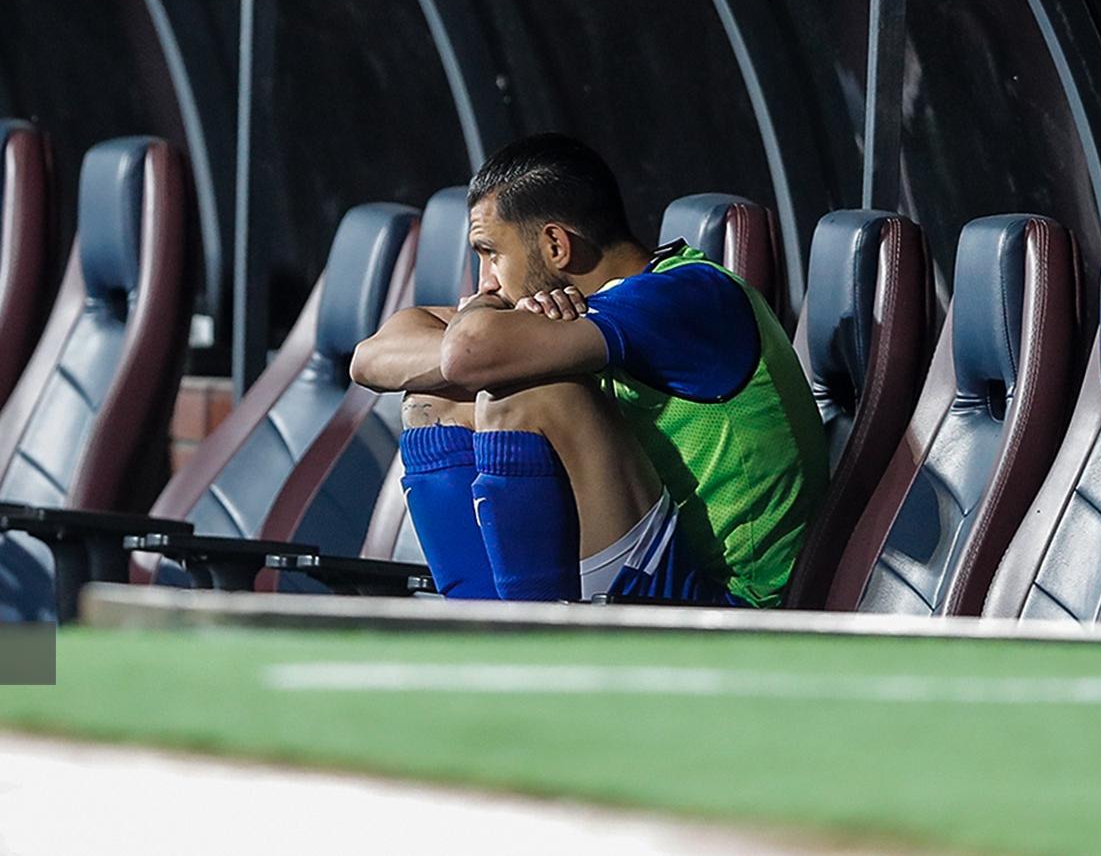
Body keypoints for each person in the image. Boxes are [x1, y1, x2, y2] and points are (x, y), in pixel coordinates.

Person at [349, 133, 827, 606]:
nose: (485, 281)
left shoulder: (685, 296)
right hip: (665, 575)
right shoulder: (586, 306)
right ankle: (481, 623)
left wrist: (479, 317)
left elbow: (467, 354)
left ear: (556, 245)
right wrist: (481, 333)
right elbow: (370, 358)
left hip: (733, 608)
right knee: (437, 396)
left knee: (521, 391)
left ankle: (526, 639)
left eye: (491, 253)